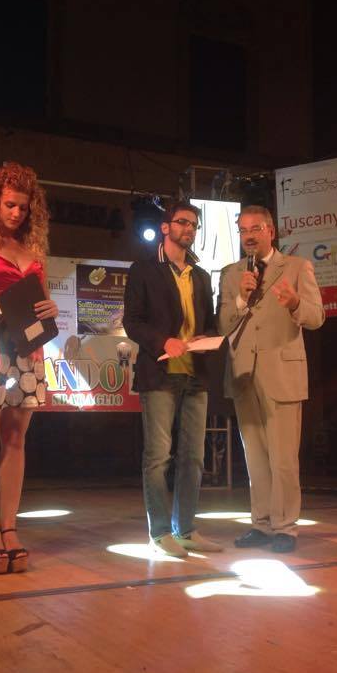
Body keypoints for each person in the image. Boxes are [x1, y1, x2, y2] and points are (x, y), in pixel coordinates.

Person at [0, 162, 58, 574]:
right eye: (9, 204)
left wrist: (51, 310)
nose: (17, 212)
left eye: (23, 206)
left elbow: (41, 302)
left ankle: (10, 526)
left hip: (28, 346)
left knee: (16, 437)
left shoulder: (34, 252)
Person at [217, 206, 324, 553]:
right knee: (255, 459)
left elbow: (316, 317)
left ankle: (285, 528)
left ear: (271, 231)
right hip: (244, 373)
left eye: (255, 229)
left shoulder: (296, 267)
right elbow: (223, 324)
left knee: (283, 459)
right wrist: (240, 298)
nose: (248, 236)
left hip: (282, 372)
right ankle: (261, 525)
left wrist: (294, 303)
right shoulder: (231, 274)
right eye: (243, 230)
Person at [123, 201, 223, 557]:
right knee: (158, 457)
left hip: (195, 373)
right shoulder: (144, 269)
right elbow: (132, 321)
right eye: (182, 222)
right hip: (160, 373)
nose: (189, 229)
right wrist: (163, 341)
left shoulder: (201, 275)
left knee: (193, 457)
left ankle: (186, 529)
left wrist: (207, 337)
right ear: (165, 227)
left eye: (194, 225)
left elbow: (209, 322)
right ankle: (160, 532)